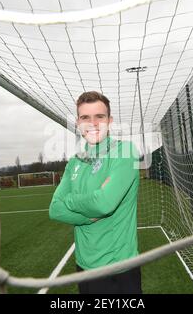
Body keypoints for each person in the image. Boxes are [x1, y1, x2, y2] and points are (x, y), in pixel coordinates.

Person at [49, 91, 142, 294]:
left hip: (118, 267)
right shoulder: (75, 161)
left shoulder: (125, 152)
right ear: (78, 123)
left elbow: (104, 204)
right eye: (85, 117)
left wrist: (71, 200)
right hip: (84, 267)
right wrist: (90, 216)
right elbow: (55, 209)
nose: (93, 123)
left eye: (99, 116)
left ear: (109, 121)